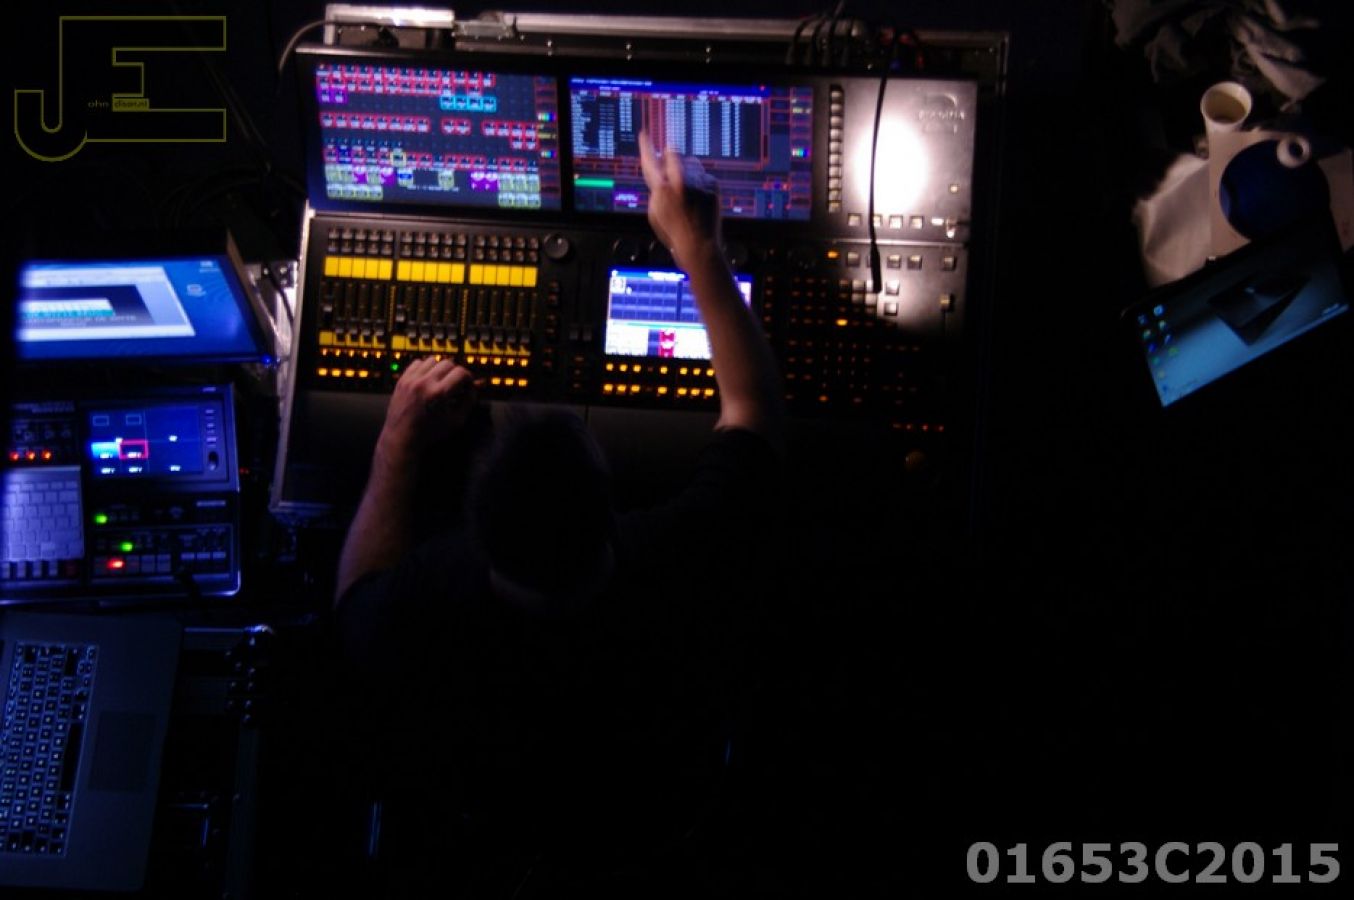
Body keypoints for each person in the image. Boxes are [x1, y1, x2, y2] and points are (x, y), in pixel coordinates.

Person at [332, 129, 784, 894]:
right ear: (613, 508)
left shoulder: (423, 605)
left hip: (501, 837)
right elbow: (754, 410)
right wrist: (698, 249)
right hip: (666, 817)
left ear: (477, 537)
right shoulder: (683, 554)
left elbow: (353, 597)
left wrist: (396, 440)